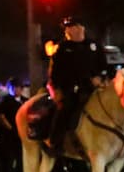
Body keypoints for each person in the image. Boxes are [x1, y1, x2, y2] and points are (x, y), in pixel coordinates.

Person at [45, 16, 108, 155]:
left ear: (81, 28)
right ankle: (55, 143)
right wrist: (57, 89)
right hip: (71, 90)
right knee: (65, 109)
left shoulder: (94, 46)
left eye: (71, 27)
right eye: (67, 28)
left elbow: (103, 66)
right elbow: (54, 73)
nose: (68, 30)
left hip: (93, 89)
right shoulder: (62, 48)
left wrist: (99, 77)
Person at [0, 80, 29, 172]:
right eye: (15, 87)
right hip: (8, 138)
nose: (18, 90)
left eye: (20, 87)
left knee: (22, 168)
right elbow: (1, 116)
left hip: (22, 138)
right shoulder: (5, 101)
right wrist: (10, 128)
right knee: (6, 168)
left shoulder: (25, 101)